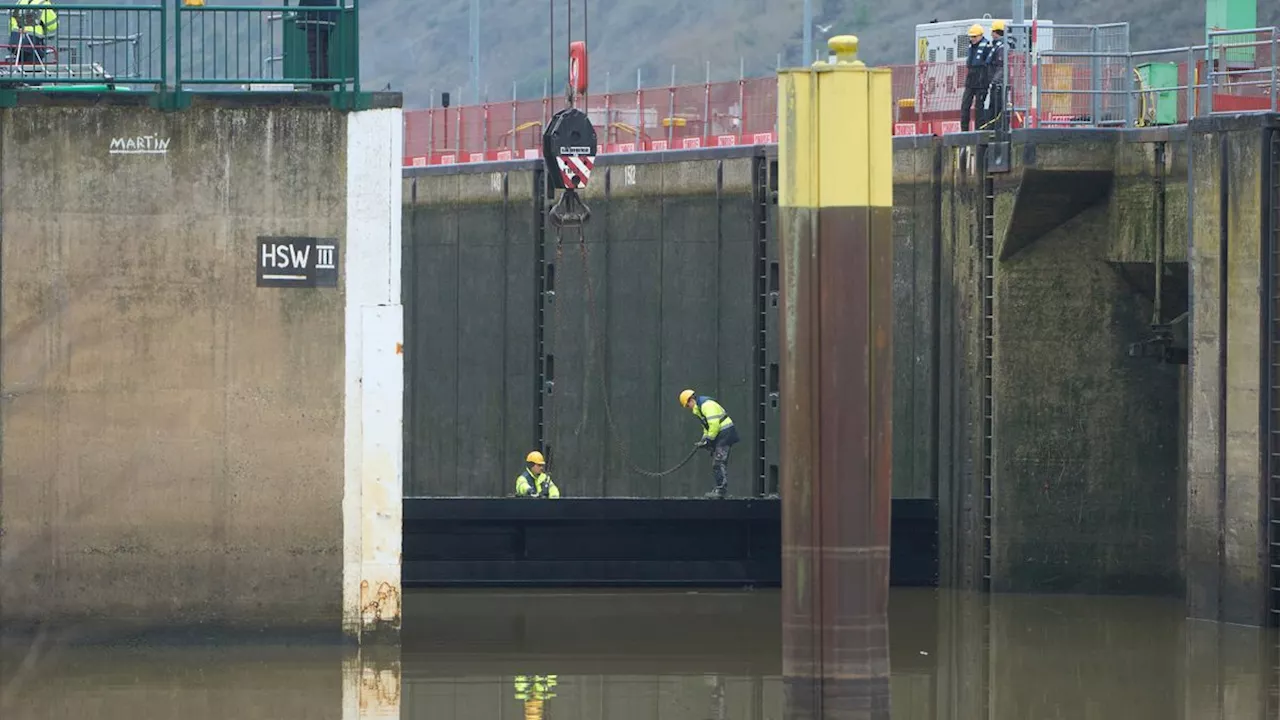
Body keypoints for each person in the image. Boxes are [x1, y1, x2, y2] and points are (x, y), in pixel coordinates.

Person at [680, 389, 740, 499]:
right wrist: (704, 439)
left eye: (687, 405)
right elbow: (706, 427)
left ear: (690, 400)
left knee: (718, 462)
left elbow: (714, 425)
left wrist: (709, 440)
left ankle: (721, 490)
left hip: (725, 433)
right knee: (718, 462)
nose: (688, 408)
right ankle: (720, 488)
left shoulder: (707, 405)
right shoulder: (699, 408)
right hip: (722, 433)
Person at [295, 0, 338, 91]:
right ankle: (327, 82)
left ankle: (317, 83)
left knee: (314, 50)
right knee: (322, 50)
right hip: (329, 15)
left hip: (315, 14)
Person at [959, 24, 991, 132]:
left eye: (974, 36)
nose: (972, 39)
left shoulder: (987, 47)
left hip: (982, 80)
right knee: (965, 106)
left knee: (979, 108)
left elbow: (989, 64)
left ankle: (979, 130)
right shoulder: (971, 47)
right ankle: (964, 131)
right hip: (971, 79)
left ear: (981, 36)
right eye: (971, 37)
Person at [8, 0, 56, 65]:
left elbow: (11, 21)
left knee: (21, 62)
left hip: (15, 38)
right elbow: (52, 26)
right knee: (34, 66)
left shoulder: (20, 2)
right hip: (32, 40)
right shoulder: (43, 3)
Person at [983, 20, 1011, 130]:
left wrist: (994, 81)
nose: (991, 34)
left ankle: (997, 129)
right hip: (996, 83)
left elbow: (1002, 67)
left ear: (997, 32)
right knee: (993, 107)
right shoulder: (997, 46)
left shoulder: (1002, 47)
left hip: (998, 84)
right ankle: (992, 128)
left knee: (997, 107)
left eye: (993, 32)